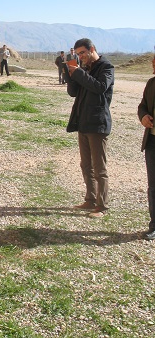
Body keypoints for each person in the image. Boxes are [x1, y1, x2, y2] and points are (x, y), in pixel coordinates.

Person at [66, 38, 114, 218]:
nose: (81, 57)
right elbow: (73, 92)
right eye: (78, 54)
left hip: (98, 124)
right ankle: (90, 199)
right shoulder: (85, 69)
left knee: (99, 168)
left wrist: (79, 73)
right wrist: (71, 74)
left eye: (83, 53)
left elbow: (100, 87)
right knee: (86, 165)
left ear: (92, 49)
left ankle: (102, 206)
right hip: (83, 123)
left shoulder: (106, 68)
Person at [137, 54, 155, 240]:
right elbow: (142, 106)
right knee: (153, 187)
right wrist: (143, 116)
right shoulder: (151, 84)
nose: (152, 63)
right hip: (152, 143)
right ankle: (154, 225)